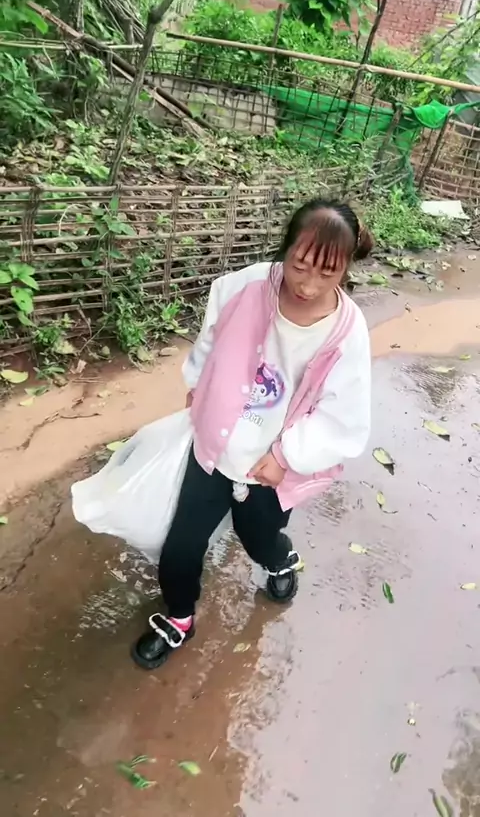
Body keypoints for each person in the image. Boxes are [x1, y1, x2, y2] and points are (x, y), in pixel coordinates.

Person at [132, 198, 372, 670]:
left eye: (327, 273)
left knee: (259, 535)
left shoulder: (347, 332)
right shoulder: (242, 287)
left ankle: (279, 561)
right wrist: (199, 386)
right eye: (299, 265)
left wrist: (287, 457)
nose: (308, 284)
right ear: (285, 249)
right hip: (216, 448)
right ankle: (179, 616)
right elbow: (210, 340)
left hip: (269, 465)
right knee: (181, 544)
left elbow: (343, 416)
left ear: (346, 267)